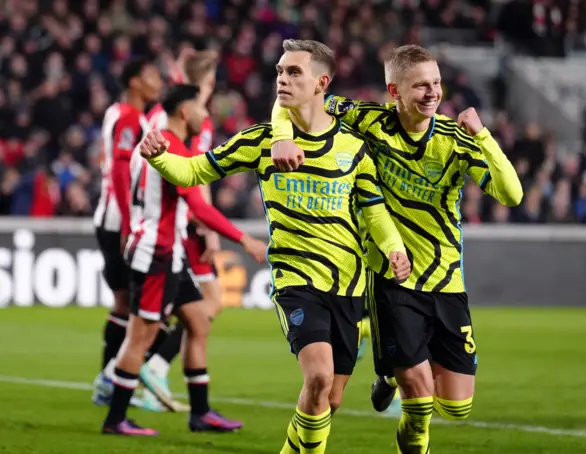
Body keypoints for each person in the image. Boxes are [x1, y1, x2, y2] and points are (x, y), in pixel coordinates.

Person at [138, 39, 412, 453]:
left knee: (329, 400)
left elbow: (374, 212)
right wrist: (160, 157)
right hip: (297, 280)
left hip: (350, 287)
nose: (282, 78)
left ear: (322, 83)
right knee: (317, 378)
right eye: (281, 71)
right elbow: (194, 170)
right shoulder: (261, 140)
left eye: (294, 72)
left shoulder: (354, 149)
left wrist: (394, 247)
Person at [270, 45, 523, 453]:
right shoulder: (369, 120)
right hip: (393, 278)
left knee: (456, 407)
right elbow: (296, 98)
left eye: (436, 83)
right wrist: (281, 136)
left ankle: (386, 375)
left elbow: (511, 194)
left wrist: (484, 136)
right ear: (394, 91)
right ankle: (405, 408)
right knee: (419, 400)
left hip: (447, 281)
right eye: (420, 85)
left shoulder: (455, 140)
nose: (432, 93)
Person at [101, 83, 266, 436]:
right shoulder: (170, 148)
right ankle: (115, 419)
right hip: (156, 253)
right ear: (184, 112)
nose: (207, 115)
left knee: (199, 320)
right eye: (201, 108)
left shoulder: (154, 140)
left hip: (168, 250)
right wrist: (244, 239)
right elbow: (199, 206)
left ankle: (200, 413)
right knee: (139, 337)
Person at [140, 51, 253, 424]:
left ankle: (186, 399)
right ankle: (151, 366)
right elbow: (194, 179)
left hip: (173, 226)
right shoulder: (189, 121)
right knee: (203, 307)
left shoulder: (163, 116)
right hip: (181, 230)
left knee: (198, 315)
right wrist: (212, 233)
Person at [92, 57, 162, 408]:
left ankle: (109, 376)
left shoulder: (116, 112)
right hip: (120, 221)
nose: (156, 81)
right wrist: (129, 221)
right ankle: (113, 377)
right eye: (150, 75)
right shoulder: (130, 117)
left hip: (111, 218)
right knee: (138, 306)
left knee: (123, 304)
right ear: (135, 82)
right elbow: (120, 169)